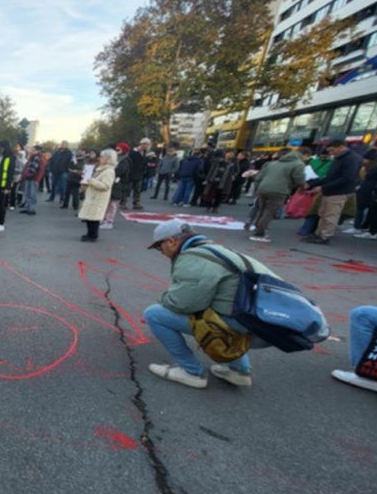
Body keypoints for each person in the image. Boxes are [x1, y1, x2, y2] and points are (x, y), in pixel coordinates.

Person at [144, 220, 277, 389]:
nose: (160, 251)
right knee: (216, 312)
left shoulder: (193, 258)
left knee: (155, 314)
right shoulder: (216, 250)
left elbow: (182, 304)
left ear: (171, 241)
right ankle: (240, 371)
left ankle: (191, 372)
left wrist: (163, 300)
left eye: (158, 247)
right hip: (265, 325)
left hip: (248, 327)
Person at [303, 139, 363, 245]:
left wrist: (322, 187)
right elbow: (329, 177)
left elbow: (346, 179)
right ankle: (318, 234)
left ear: (341, 147)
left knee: (331, 215)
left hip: (339, 192)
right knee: (323, 213)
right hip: (329, 190)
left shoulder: (351, 159)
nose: (331, 153)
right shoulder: (338, 158)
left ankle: (325, 236)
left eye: (332, 150)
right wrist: (312, 183)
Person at [248, 143, 307, 243]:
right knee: (269, 212)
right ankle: (259, 233)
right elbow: (299, 179)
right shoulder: (298, 164)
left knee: (262, 210)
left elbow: (259, 177)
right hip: (279, 191)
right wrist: (303, 185)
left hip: (263, 188)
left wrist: (258, 188)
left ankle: (258, 229)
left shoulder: (274, 163)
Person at [78, 148, 117, 242]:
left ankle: (93, 235)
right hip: (93, 196)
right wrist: (86, 179)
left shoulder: (109, 171)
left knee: (94, 218)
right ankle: (89, 234)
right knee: (89, 217)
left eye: (103, 156)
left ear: (108, 158)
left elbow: (106, 186)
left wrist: (91, 180)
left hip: (98, 197)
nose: (100, 158)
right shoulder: (101, 168)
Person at [102, 145, 130, 230]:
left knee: (112, 204)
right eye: (116, 150)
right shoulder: (116, 160)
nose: (116, 151)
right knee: (108, 203)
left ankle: (109, 221)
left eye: (118, 150)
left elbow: (120, 172)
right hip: (113, 184)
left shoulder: (124, 161)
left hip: (118, 185)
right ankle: (105, 219)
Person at [123, 138, 150, 210]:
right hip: (131, 174)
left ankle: (136, 203)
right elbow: (129, 162)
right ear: (142, 144)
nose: (148, 146)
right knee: (127, 189)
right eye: (147, 145)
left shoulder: (144, 153)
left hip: (139, 174)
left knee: (138, 190)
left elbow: (144, 163)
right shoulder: (133, 152)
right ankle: (123, 203)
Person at [19, 147, 45, 216]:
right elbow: (26, 166)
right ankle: (28, 208)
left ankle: (32, 209)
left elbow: (41, 170)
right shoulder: (32, 157)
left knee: (32, 194)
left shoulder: (39, 158)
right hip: (28, 177)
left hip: (34, 178)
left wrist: (37, 180)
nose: (31, 151)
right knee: (27, 193)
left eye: (33, 150)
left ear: (37, 151)